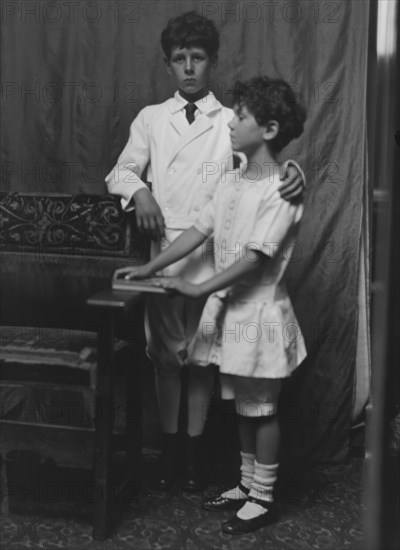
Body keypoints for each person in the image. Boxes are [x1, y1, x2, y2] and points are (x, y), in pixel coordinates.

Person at [106, 11, 305, 492]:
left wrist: (295, 168)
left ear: (212, 61)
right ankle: (170, 451)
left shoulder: (230, 119)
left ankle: (194, 454)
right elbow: (120, 172)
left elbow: (265, 164)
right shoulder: (151, 119)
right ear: (168, 64)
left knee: (203, 357)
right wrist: (141, 194)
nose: (189, 67)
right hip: (168, 249)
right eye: (180, 59)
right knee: (165, 356)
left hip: (219, 256)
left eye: (198, 58)